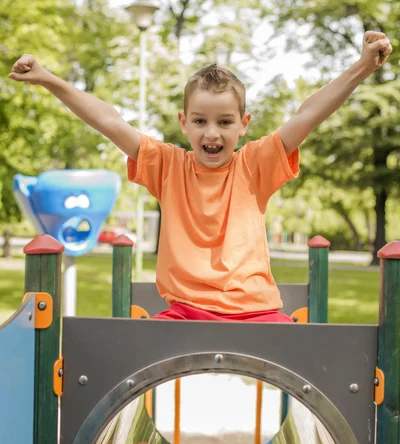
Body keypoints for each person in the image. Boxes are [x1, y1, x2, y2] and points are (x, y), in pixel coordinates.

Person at [8, 31, 392, 322]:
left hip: (256, 313)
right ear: (184, 124)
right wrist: (48, 79)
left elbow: (308, 115)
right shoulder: (167, 165)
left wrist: (362, 67)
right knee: (124, 360)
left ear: (243, 125)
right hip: (185, 312)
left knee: (308, 368)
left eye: (224, 122)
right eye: (201, 121)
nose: (212, 133)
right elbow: (109, 120)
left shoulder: (254, 164)